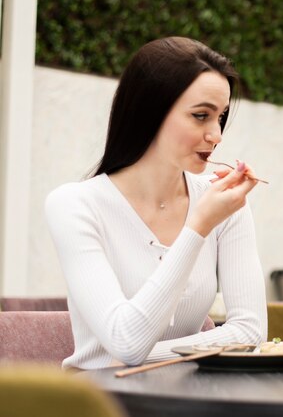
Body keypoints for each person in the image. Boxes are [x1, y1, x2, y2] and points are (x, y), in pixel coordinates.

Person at [45, 37, 267, 370]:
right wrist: (197, 227)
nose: (216, 136)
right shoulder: (75, 205)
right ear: (149, 112)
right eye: (200, 115)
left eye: (220, 117)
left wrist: (114, 358)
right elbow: (127, 343)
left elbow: (250, 333)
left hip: (191, 400)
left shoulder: (222, 202)